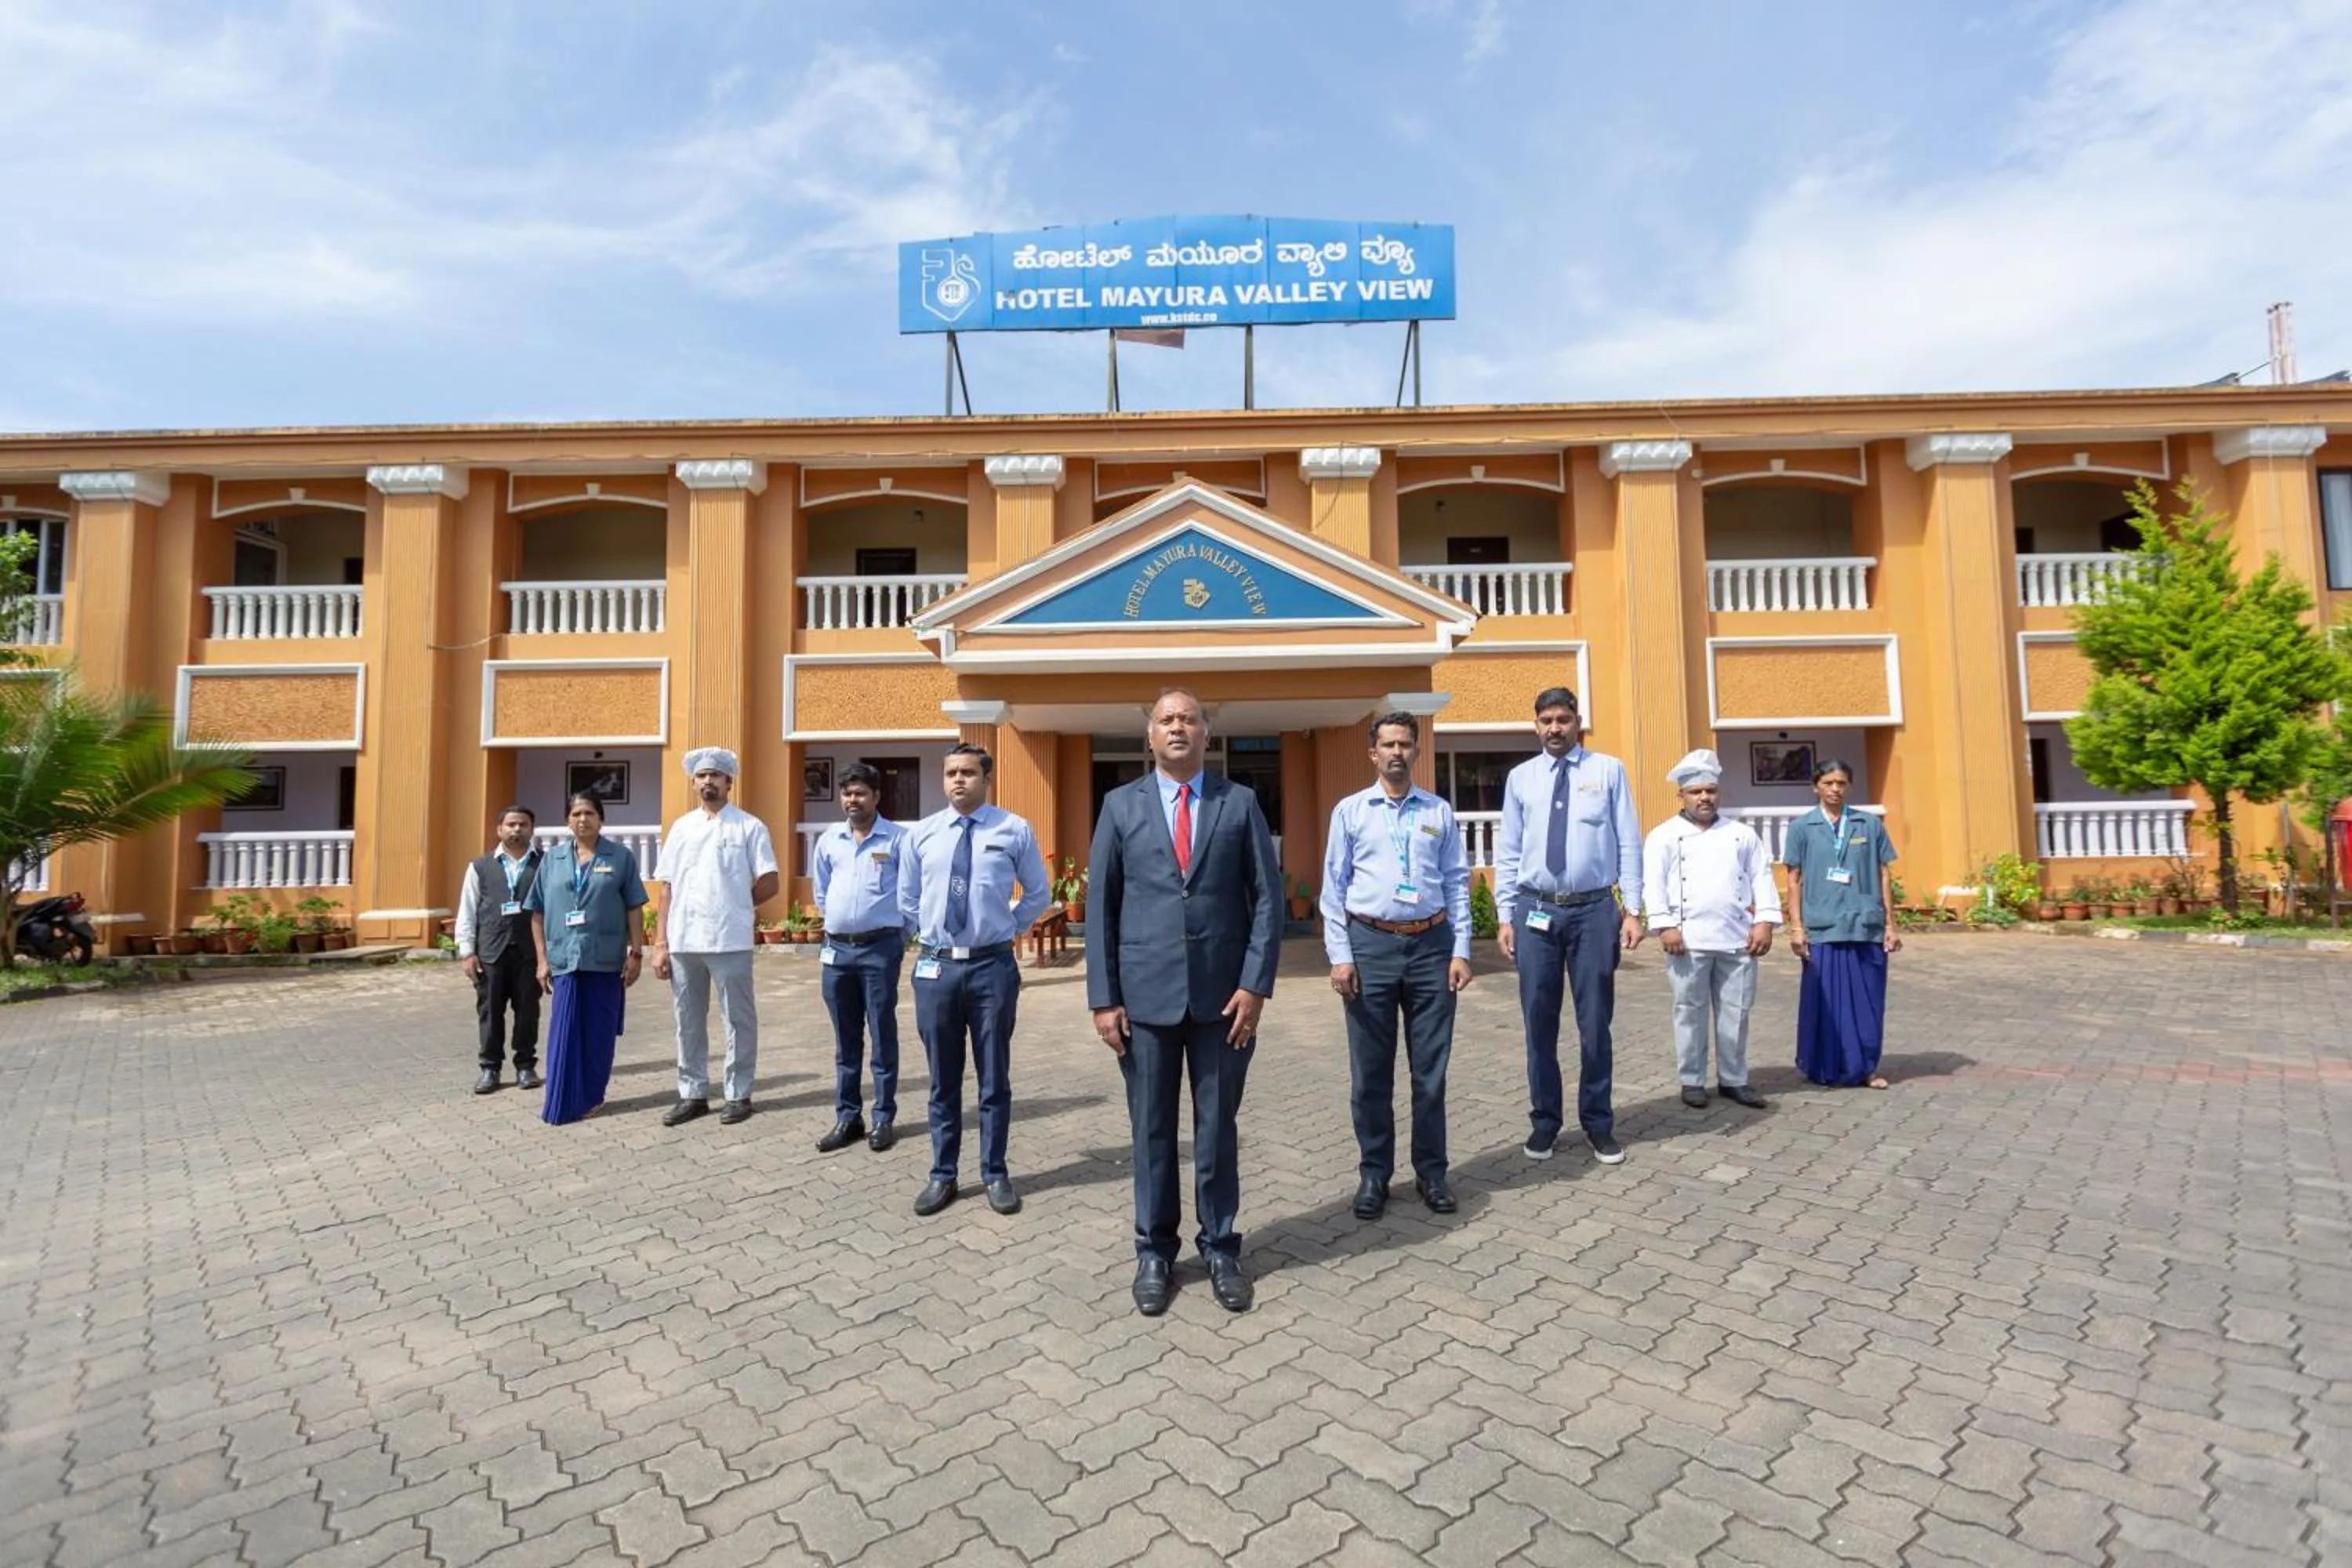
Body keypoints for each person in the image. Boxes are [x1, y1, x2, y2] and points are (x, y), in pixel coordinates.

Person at [1087, 689, 1281, 1316]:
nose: (1178, 728)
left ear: (1205, 734)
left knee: (1217, 1128)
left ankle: (1222, 1246)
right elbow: (1102, 911)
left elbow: (1267, 901)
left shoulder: (1240, 802)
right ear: (1150, 737)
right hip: (1143, 1002)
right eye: (1166, 720)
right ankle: (1154, 1251)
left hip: (1224, 1002)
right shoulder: (1119, 807)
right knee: (1151, 1131)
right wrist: (1103, 998)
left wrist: (1254, 985)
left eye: (1189, 719)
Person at [1319, 711, 1472, 1222]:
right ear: (1373, 753)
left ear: (1417, 750)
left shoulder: (1439, 812)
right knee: (1370, 1074)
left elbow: (1456, 881)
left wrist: (1462, 948)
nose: (1397, 753)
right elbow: (1333, 890)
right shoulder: (1351, 812)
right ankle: (1374, 1174)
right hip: (1370, 948)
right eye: (1388, 744)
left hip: (1431, 947)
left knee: (1430, 1072)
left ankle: (1431, 1171)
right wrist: (1340, 956)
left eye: (1405, 744)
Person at [1493, 687, 1643, 1165]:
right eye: (1546, 721)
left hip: (1594, 911)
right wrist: (1504, 914)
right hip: (1535, 911)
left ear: (1577, 721)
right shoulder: (1521, 779)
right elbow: (1509, 850)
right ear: (1535, 726)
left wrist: (1634, 908)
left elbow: (1629, 842)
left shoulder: (1608, 771)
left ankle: (1598, 1123)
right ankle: (1545, 1123)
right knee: (1539, 1022)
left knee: (1595, 1022)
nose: (1554, 728)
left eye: (1563, 719)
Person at [899, 742, 1050, 1218]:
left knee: (993, 1076)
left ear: (987, 779)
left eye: (967, 772)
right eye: (950, 773)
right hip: (938, 968)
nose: (957, 781)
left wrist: (1006, 929)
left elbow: (1037, 892)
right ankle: (943, 1174)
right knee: (942, 1079)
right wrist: (931, 936)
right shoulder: (922, 834)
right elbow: (907, 899)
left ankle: (995, 1172)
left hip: (991, 968)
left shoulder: (1012, 829)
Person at [1642, 750, 1780, 1110]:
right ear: (1682, 796)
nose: (1704, 798)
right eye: (1696, 792)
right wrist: (1665, 925)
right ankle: (1692, 1080)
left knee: (1736, 1010)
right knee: (1689, 1009)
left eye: (1710, 791)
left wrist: (1764, 921)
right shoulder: (1664, 836)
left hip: (1738, 937)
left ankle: (1734, 1079)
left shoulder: (1741, 834)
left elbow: (1762, 878)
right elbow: (1652, 885)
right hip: (1686, 940)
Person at [652, 746, 780, 1127]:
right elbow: (667, 888)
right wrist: (661, 943)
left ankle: (738, 1094)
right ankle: (692, 1093)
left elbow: (770, 881)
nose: (708, 781)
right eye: (702, 776)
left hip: (730, 939)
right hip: (685, 940)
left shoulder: (749, 827)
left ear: (729, 782)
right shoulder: (681, 828)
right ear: (694, 783)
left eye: (716, 775)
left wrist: (737, 905)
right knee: (687, 1019)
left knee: (738, 1019)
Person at [528, 792, 649, 1124]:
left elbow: (634, 906)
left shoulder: (621, 857)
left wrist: (636, 952)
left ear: (601, 819)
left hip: (605, 959)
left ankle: (593, 1095)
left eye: (590, 813)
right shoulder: (552, 860)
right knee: (564, 1031)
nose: (583, 819)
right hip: (564, 959)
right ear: (568, 820)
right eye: (577, 813)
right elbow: (536, 911)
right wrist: (542, 960)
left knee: (599, 1031)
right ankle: (562, 1101)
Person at [811, 762, 910, 1153]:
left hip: (879, 949)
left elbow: (910, 893)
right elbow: (822, 892)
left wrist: (899, 937)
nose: (852, 800)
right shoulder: (829, 840)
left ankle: (883, 1117)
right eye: (847, 793)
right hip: (837, 951)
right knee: (845, 1039)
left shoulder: (897, 840)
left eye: (860, 793)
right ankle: (848, 1116)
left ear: (876, 797)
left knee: (882, 1033)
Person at [1783, 758, 1901, 1089]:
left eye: (1841, 783)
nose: (1835, 789)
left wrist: (1890, 924)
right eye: (1828, 783)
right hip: (1822, 927)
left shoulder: (1868, 824)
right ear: (1815, 786)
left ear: (1849, 786)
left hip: (1865, 925)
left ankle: (1866, 1068)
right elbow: (1793, 879)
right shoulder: (1802, 827)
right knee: (1826, 1003)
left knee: (1868, 1001)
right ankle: (1823, 1066)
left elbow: (1883, 873)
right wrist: (1796, 926)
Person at [456, 806, 545, 1095]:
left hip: (530, 952)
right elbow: (467, 910)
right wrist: (467, 952)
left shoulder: (545, 864)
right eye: (511, 824)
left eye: (523, 824)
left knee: (528, 1011)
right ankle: (490, 1068)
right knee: (490, 1011)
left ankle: (526, 1065)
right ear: (499, 830)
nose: (517, 830)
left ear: (532, 829)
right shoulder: (480, 867)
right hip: (491, 952)